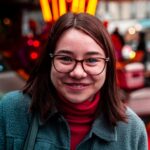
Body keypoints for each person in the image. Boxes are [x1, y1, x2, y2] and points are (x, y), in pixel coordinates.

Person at [0, 12, 148, 150]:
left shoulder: (132, 131)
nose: (78, 73)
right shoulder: (10, 112)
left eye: (91, 60)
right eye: (65, 58)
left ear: (107, 66)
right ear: (49, 61)